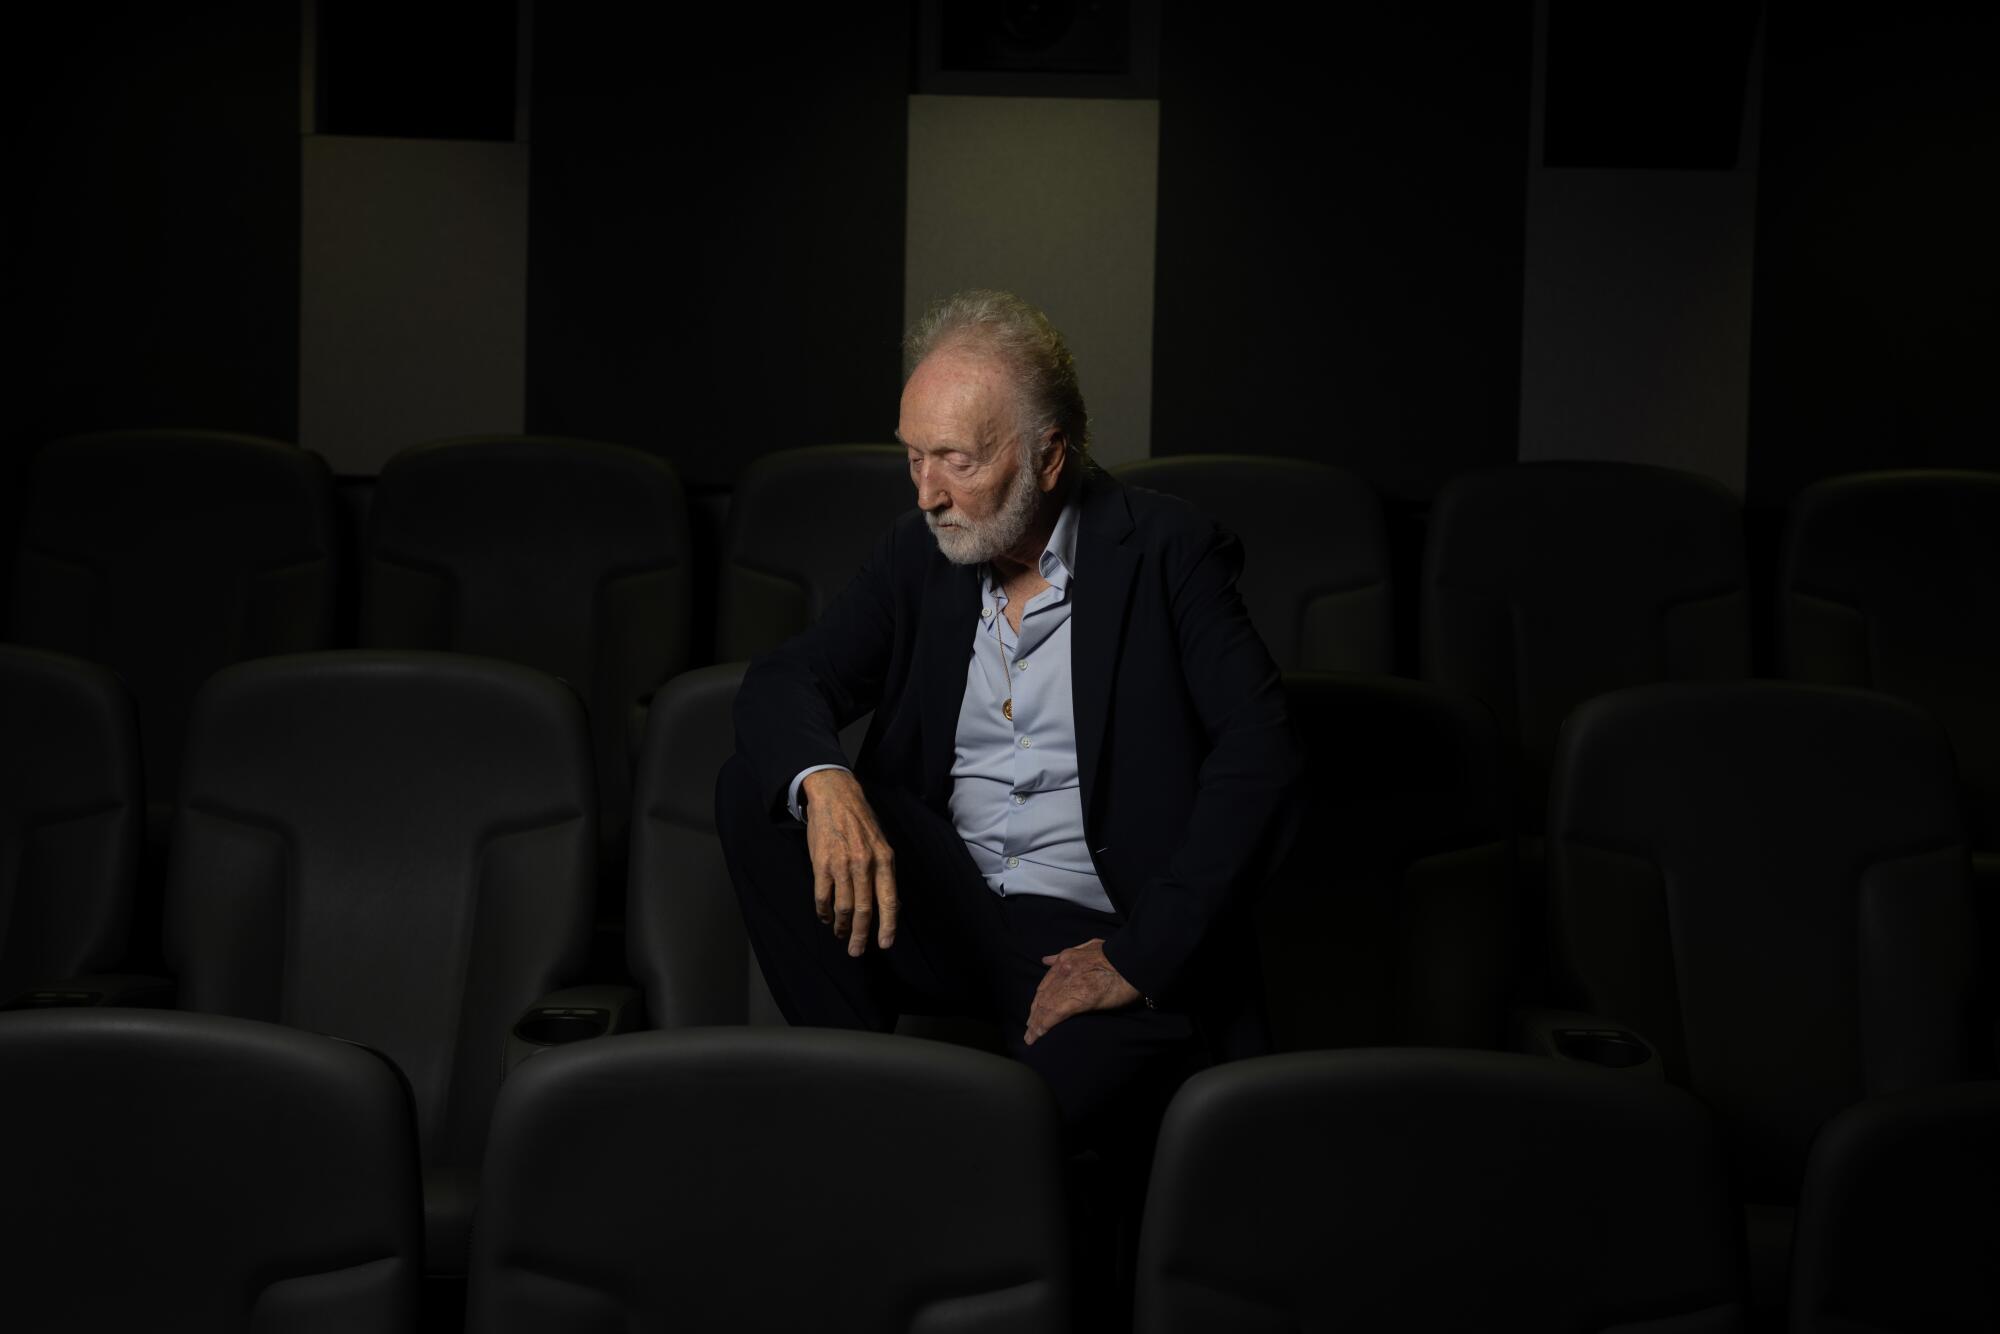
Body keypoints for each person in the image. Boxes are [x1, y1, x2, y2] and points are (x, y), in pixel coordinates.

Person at [716, 289, 1303, 1163]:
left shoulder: (1170, 553)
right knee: (761, 788)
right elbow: (786, 679)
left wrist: (1139, 958)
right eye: (912, 457)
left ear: (1048, 455)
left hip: (1094, 929)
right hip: (945, 902)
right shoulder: (919, 554)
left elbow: (1265, 756)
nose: (926, 494)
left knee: (1010, 1149)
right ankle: (856, 1088)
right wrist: (826, 782)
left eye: (954, 459)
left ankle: (907, 1181)